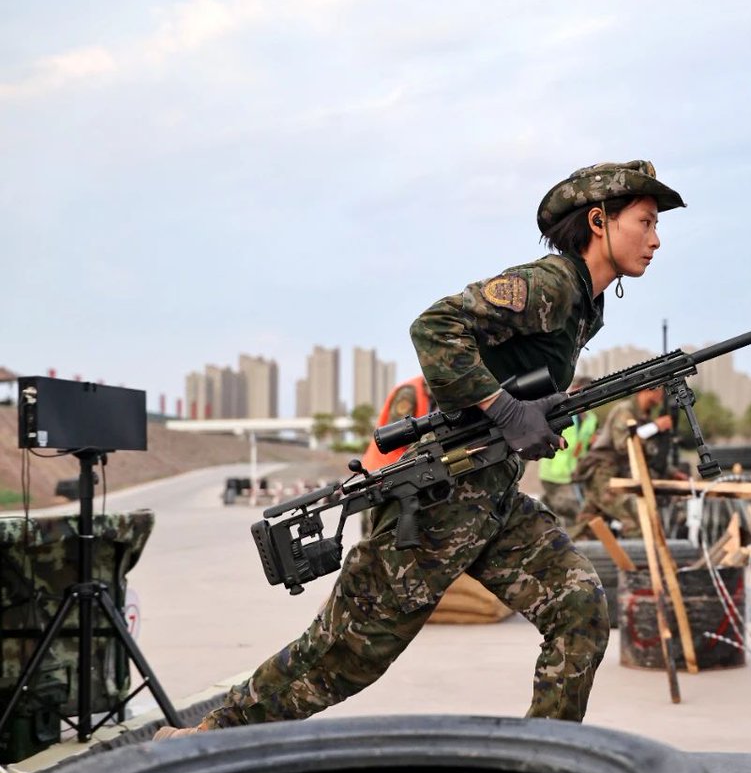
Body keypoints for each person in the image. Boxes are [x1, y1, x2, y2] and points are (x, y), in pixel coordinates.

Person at [154, 160, 685, 739]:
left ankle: (544, 758)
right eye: (646, 221)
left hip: (492, 496)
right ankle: (203, 741)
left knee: (579, 605)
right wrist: (506, 413)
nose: (656, 239)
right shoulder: (551, 283)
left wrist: (530, 419)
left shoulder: (587, 303)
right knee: (343, 658)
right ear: (599, 220)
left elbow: (506, 375)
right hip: (439, 499)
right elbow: (434, 327)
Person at [570, 385, 684, 539]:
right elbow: (623, 445)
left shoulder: (643, 417)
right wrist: (655, 427)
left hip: (616, 475)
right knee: (637, 520)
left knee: (588, 526)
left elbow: (647, 454)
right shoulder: (625, 411)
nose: (662, 395)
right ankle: (639, 561)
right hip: (603, 474)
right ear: (646, 390)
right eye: (659, 389)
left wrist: (672, 472)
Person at [537, 375, 597, 525]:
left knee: (557, 512)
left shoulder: (591, 419)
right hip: (553, 474)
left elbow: (582, 448)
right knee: (574, 512)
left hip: (572, 475)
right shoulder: (561, 413)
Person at [358, 375, 436, 471]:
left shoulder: (432, 396)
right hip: (384, 467)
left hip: (401, 466)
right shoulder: (408, 393)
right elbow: (400, 432)